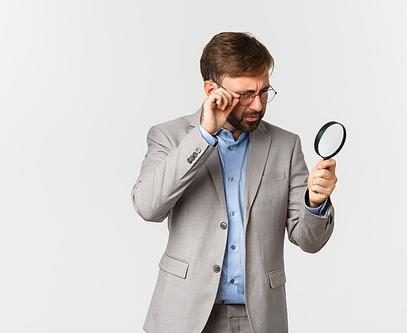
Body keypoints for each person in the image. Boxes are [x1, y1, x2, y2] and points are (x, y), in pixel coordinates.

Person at [132, 32, 338, 333]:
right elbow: (148, 207)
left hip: (260, 317)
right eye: (245, 94)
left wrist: (316, 203)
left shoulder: (285, 145)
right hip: (183, 314)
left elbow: (309, 241)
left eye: (264, 91)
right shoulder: (169, 136)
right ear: (212, 89)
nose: (257, 105)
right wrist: (203, 135)